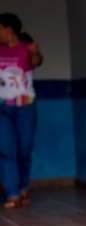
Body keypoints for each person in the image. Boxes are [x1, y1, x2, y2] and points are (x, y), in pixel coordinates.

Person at [0, 13, 42, 208]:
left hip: (26, 107)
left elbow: (36, 61)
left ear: (9, 28)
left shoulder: (26, 48)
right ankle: (13, 193)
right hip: (2, 108)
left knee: (24, 149)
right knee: (6, 151)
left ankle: (23, 187)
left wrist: (35, 52)